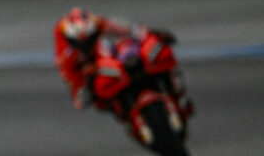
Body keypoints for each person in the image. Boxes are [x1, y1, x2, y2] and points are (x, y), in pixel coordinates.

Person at [54, 7, 193, 117]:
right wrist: (84, 88)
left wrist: (153, 34)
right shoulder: (65, 55)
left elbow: (128, 30)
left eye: (90, 38)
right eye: (80, 42)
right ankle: (121, 110)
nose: (85, 44)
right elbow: (74, 86)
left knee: (159, 52)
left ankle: (179, 95)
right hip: (93, 68)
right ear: (70, 40)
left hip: (112, 58)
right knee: (93, 99)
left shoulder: (98, 23)